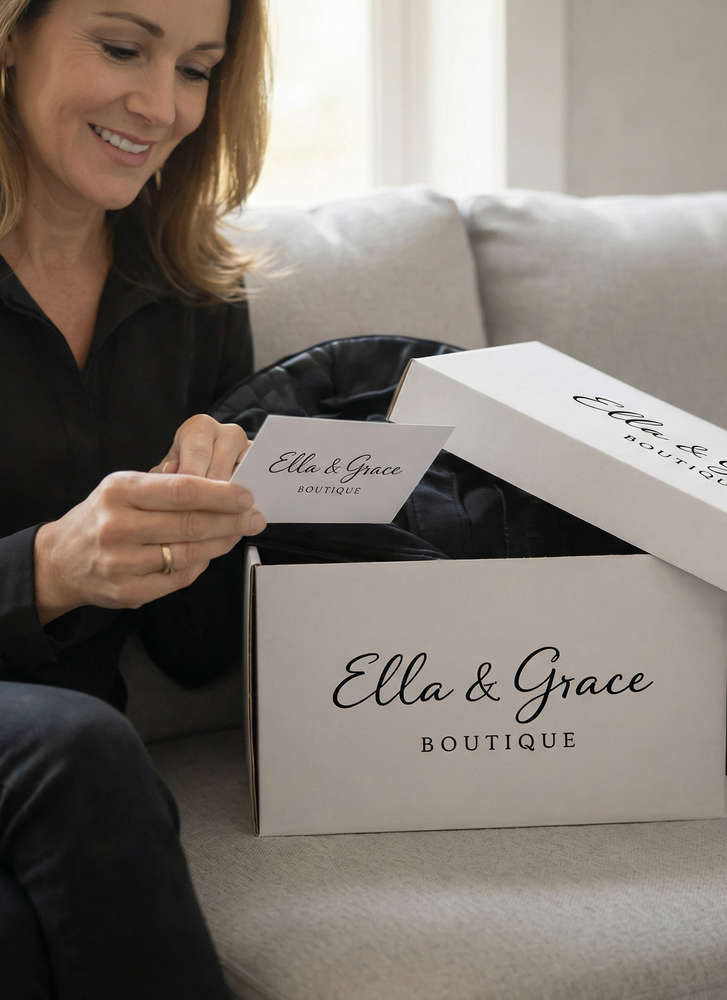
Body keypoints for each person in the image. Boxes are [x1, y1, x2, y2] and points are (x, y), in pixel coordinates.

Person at [0, 0, 270, 995]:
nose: (161, 107)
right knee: (77, 745)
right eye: (123, 49)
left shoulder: (196, 293)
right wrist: (47, 570)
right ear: (10, 35)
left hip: (70, 773)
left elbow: (193, 652)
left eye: (196, 69)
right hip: (65, 757)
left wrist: (223, 510)